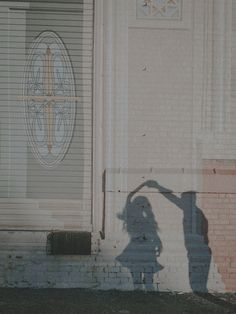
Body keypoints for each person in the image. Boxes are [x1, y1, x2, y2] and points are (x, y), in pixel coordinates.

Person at [116, 181, 163, 290]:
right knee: (136, 275)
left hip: (147, 248)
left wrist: (159, 244)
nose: (142, 207)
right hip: (135, 248)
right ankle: (139, 296)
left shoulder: (149, 219)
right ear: (134, 205)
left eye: (144, 204)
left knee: (148, 277)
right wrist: (142, 185)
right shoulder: (130, 217)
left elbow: (155, 233)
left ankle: (148, 296)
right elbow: (129, 196)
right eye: (139, 204)